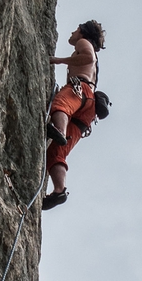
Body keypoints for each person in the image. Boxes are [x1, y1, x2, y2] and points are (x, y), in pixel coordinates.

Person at [42, 20, 106, 210]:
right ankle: (59, 190)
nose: (73, 32)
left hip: (81, 89)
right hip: (88, 110)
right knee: (56, 152)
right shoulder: (92, 55)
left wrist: (59, 60)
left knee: (60, 104)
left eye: (76, 29)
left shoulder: (84, 42)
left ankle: (59, 130)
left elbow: (87, 58)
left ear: (83, 32)